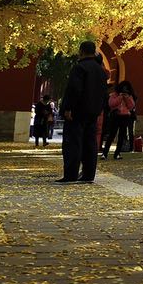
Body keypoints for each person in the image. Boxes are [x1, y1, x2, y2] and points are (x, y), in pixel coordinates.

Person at [57, 42, 109, 184]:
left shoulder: (80, 68)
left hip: (77, 111)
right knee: (90, 143)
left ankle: (71, 174)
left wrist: (68, 108)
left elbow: (74, 90)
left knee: (73, 143)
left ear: (81, 51)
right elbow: (104, 93)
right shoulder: (101, 71)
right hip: (93, 111)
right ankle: (88, 174)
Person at [106, 80, 138, 158]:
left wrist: (127, 98)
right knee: (112, 135)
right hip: (116, 116)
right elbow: (111, 104)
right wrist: (120, 97)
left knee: (122, 136)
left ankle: (117, 153)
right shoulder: (114, 95)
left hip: (125, 116)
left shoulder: (129, 96)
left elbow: (131, 106)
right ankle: (105, 152)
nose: (124, 91)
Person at [30, 79, 55, 148]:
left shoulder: (48, 105)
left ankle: (44, 142)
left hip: (44, 120)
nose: (48, 101)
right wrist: (43, 113)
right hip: (39, 119)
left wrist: (49, 114)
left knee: (44, 131)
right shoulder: (39, 104)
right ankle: (37, 143)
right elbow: (36, 111)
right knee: (37, 132)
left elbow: (50, 111)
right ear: (45, 99)